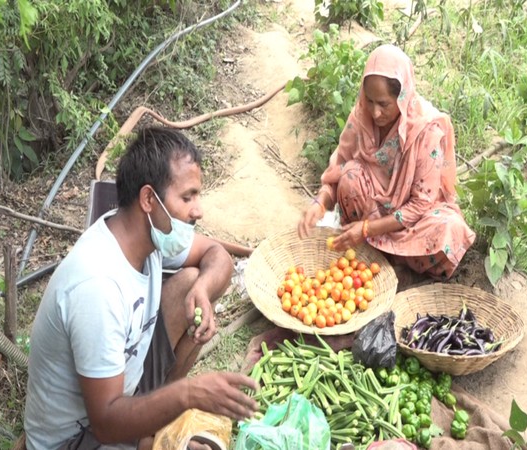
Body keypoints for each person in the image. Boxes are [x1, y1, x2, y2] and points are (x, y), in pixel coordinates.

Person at [24, 127, 258, 450]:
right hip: (76, 437)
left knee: (190, 284)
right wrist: (187, 394)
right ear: (149, 199)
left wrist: (202, 289)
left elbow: (218, 256)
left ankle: (154, 427)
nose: (198, 210)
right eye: (187, 197)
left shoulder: (146, 231)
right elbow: (105, 424)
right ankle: (153, 434)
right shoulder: (97, 287)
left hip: (124, 388)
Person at [298, 44, 476, 283]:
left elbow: (421, 204)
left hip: (412, 220)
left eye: (384, 104)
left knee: (448, 229)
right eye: (369, 101)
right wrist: (319, 204)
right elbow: (338, 167)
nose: (375, 112)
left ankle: (394, 260)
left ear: (401, 98)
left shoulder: (426, 130)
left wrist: (366, 230)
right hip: (372, 211)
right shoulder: (362, 117)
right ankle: (373, 253)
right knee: (349, 176)